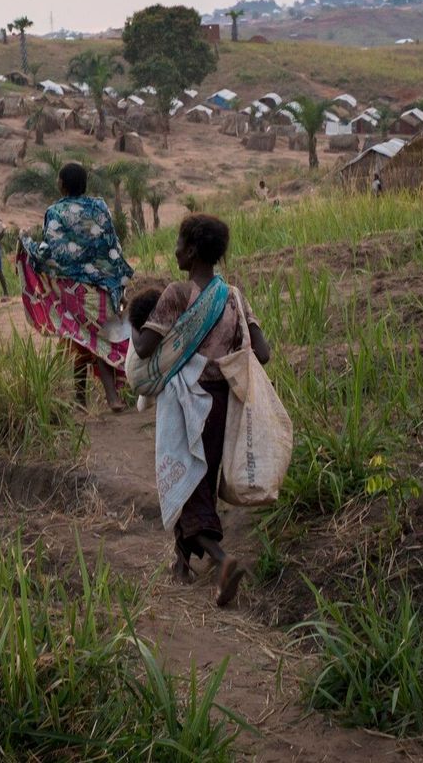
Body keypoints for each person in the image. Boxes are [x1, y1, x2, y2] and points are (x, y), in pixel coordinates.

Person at [133, 214, 271, 607]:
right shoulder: (233, 296)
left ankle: (223, 561)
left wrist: (140, 319)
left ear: (191, 250)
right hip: (221, 402)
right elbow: (262, 353)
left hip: (185, 403)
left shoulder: (177, 294)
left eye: (178, 242)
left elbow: (144, 348)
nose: (174, 248)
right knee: (199, 478)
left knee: (182, 478)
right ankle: (181, 563)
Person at [18, 162, 133, 411]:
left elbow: (52, 252)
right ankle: (82, 398)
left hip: (73, 290)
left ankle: (106, 397)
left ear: (62, 184)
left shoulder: (56, 211)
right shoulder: (99, 206)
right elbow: (112, 244)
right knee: (83, 336)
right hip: (102, 286)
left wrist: (27, 244)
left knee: (86, 336)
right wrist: (118, 284)